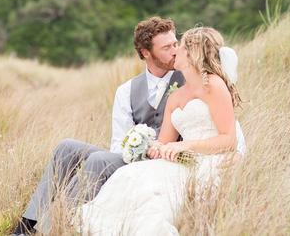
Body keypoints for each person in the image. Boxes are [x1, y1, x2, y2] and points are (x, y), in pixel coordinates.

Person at [12, 16, 187, 235]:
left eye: (175, 44)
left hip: (165, 162)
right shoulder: (127, 90)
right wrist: (134, 151)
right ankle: (26, 225)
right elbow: (118, 143)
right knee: (66, 146)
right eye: (166, 47)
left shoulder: (188, 80)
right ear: (146, 53)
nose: (175, 51)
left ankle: (50, 229)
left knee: (97, 160)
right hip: (129, 159)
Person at [80, 26, 246, 235]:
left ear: (193, 53)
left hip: (211, 160)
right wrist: (156, 147)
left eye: (181, 46)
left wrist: (186, 145)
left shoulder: (213, 85)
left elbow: (228, 139)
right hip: (181, 160)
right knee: (129, 175)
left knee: (155, 197)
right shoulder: (175, 96)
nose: (176, 50)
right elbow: (164, 141)